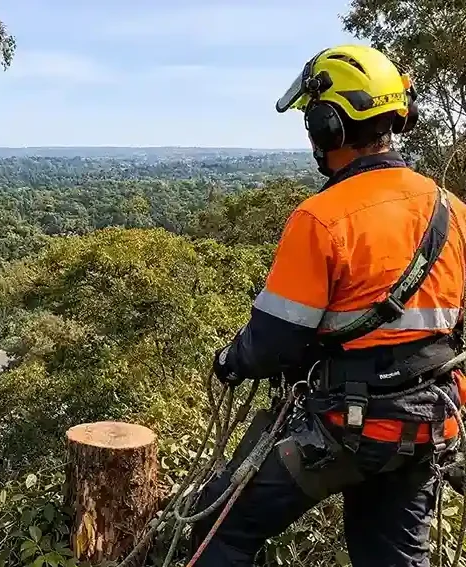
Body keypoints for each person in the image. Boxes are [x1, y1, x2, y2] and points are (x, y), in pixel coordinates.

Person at [192, 44, 466, 566]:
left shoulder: (321, 218)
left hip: (345, 429)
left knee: (217, 531)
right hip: (426, 422)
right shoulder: (451, 210)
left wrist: (230, 362)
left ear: (327, 127)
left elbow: (272, 344)